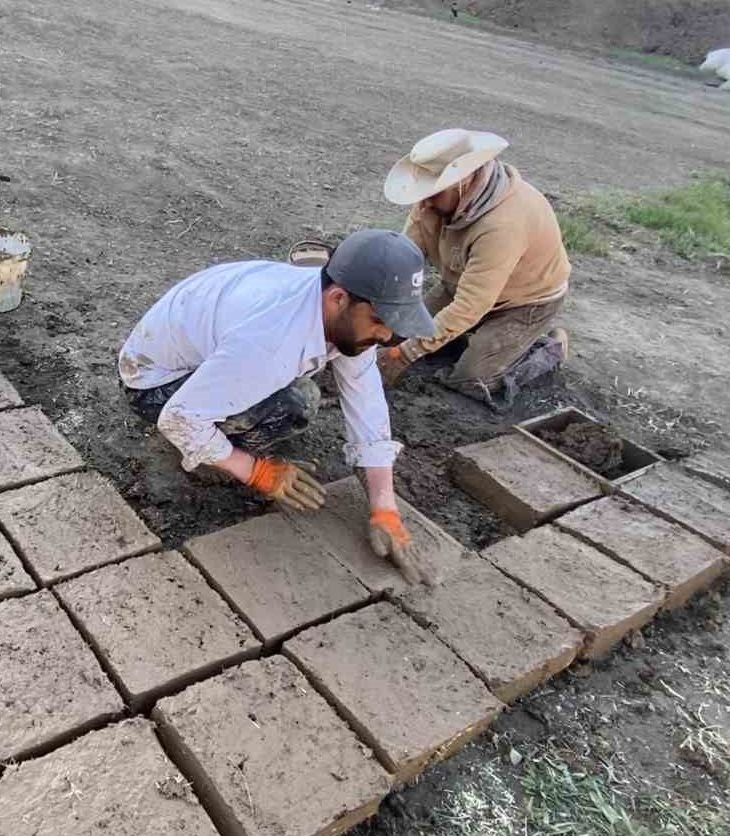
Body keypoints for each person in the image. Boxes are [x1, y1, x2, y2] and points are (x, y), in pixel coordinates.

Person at [118, 230, 437, 582]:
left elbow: (366, 399)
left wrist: (385, 509)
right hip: (154, 385)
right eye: (379, 321)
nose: (386, 337)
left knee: (292, 387)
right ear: (338, 299)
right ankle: (213, 457)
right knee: (294, 404)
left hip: (206, 349)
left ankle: (220, 430)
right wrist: (259, 472)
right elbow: (178, 419)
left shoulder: (334, 307)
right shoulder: (271, 343)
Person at [381, 129, 571, 408]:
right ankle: (472, 340)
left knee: (469, 378)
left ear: (463, 180)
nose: (424, 202)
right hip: (459, 284)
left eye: (434, 192)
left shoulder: (503, 225)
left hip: (524, 302)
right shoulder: (433, 202)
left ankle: (547, 350)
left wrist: (403, 355)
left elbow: (470, 305)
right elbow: (403, 257)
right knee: (394, 331)